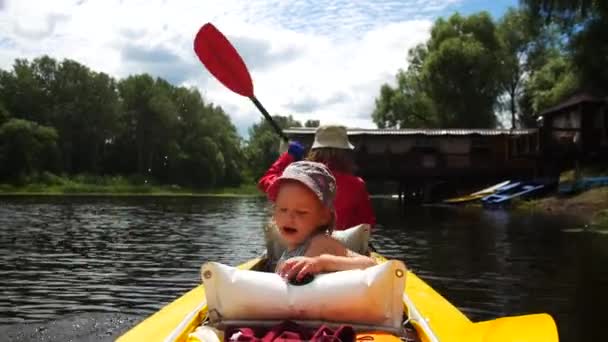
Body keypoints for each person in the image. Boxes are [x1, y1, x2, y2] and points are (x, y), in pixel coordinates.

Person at [266, 160, 376, 282]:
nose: (289, 218)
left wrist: (322, 262)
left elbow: (370, 264)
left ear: (324, 217)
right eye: (283, 209)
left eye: (301, 212)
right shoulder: (290, 249)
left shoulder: (321, 243)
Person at [258, 125, 376, 231]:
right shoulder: (357, 185)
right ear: (346, 153)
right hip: (341, 247)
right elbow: (367, 224)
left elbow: (266, 182)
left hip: (300, 244)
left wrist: (287, 157)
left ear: (314, 150)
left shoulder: (299, 179)